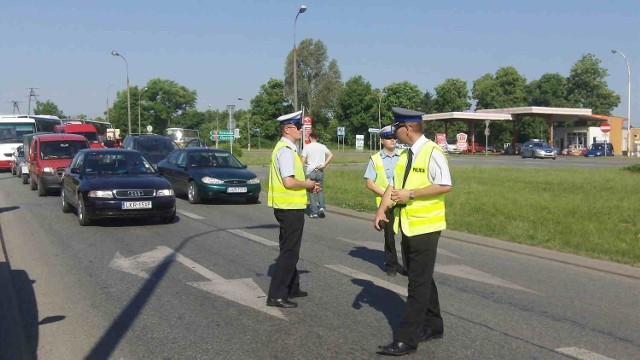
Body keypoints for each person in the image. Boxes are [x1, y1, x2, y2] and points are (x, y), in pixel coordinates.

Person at [373, 107, 453, 356]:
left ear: (407, 128)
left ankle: (406, 339)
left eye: (396, 128)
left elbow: (445, 184)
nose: (394, 134)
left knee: (417, 283)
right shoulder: (406, 155)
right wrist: (381, 210)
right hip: (407, 225)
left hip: (426, 227)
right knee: (422, 277)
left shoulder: (433, 152)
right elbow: (393, 186)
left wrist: (412, 194)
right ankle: (434, 324)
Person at [266, 110, 321, 309]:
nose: (303, 130)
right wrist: (307, 184)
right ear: (288, 129)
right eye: (299, 127)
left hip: (288, 206)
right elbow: (289, 182)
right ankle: (277, 295)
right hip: (289, 208)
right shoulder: (286, 151)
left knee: (288, 250)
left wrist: (308, 185)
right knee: (290, 252)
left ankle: (292, 287)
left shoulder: (286, 148)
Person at [363, 125, 403, 276]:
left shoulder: (404, 155)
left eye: (394, 137)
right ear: (382, 141)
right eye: (388, 138)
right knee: (389, 237)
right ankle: (391, 265)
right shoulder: (375, 159)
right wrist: (387, 194)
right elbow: (369, 183)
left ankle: (408, 265)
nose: (392, 140)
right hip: (386, 205)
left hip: (403, 201)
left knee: (407, 236)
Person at [300, 132, 333, 218]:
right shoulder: (322, 146)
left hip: (310, 171)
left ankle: (314, 212)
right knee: (320, 190)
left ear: (310, 138)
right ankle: (321, 207)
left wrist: (300, 172)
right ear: (317, 138)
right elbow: (330, 155)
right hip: (320, 170)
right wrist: (324, 164)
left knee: (311, 192)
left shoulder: (307, 147)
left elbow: (302, 161)